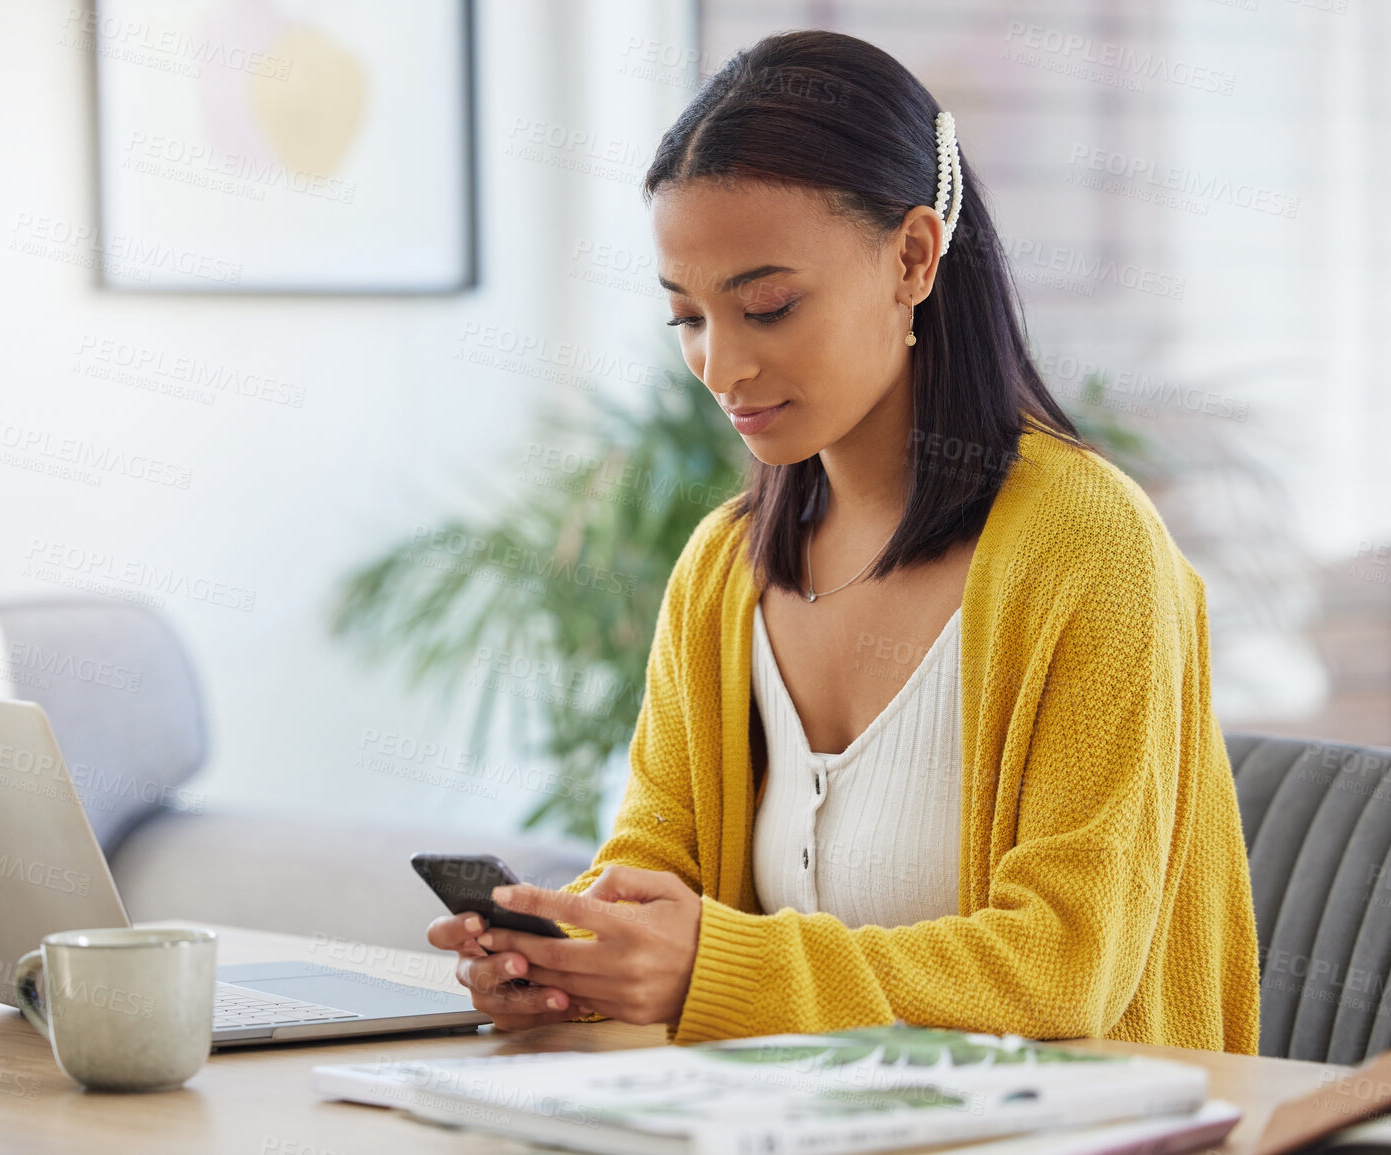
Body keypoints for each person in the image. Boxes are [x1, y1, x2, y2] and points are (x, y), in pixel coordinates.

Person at [425, 28, 1260, 1053]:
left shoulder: (1090, 549)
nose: (721, 367)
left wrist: (711, 967)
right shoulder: (722, 572)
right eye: (686, 318)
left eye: (768, 306)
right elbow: (656, 866)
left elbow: (1065, 966)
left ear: (913, 256)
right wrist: (577, 962)